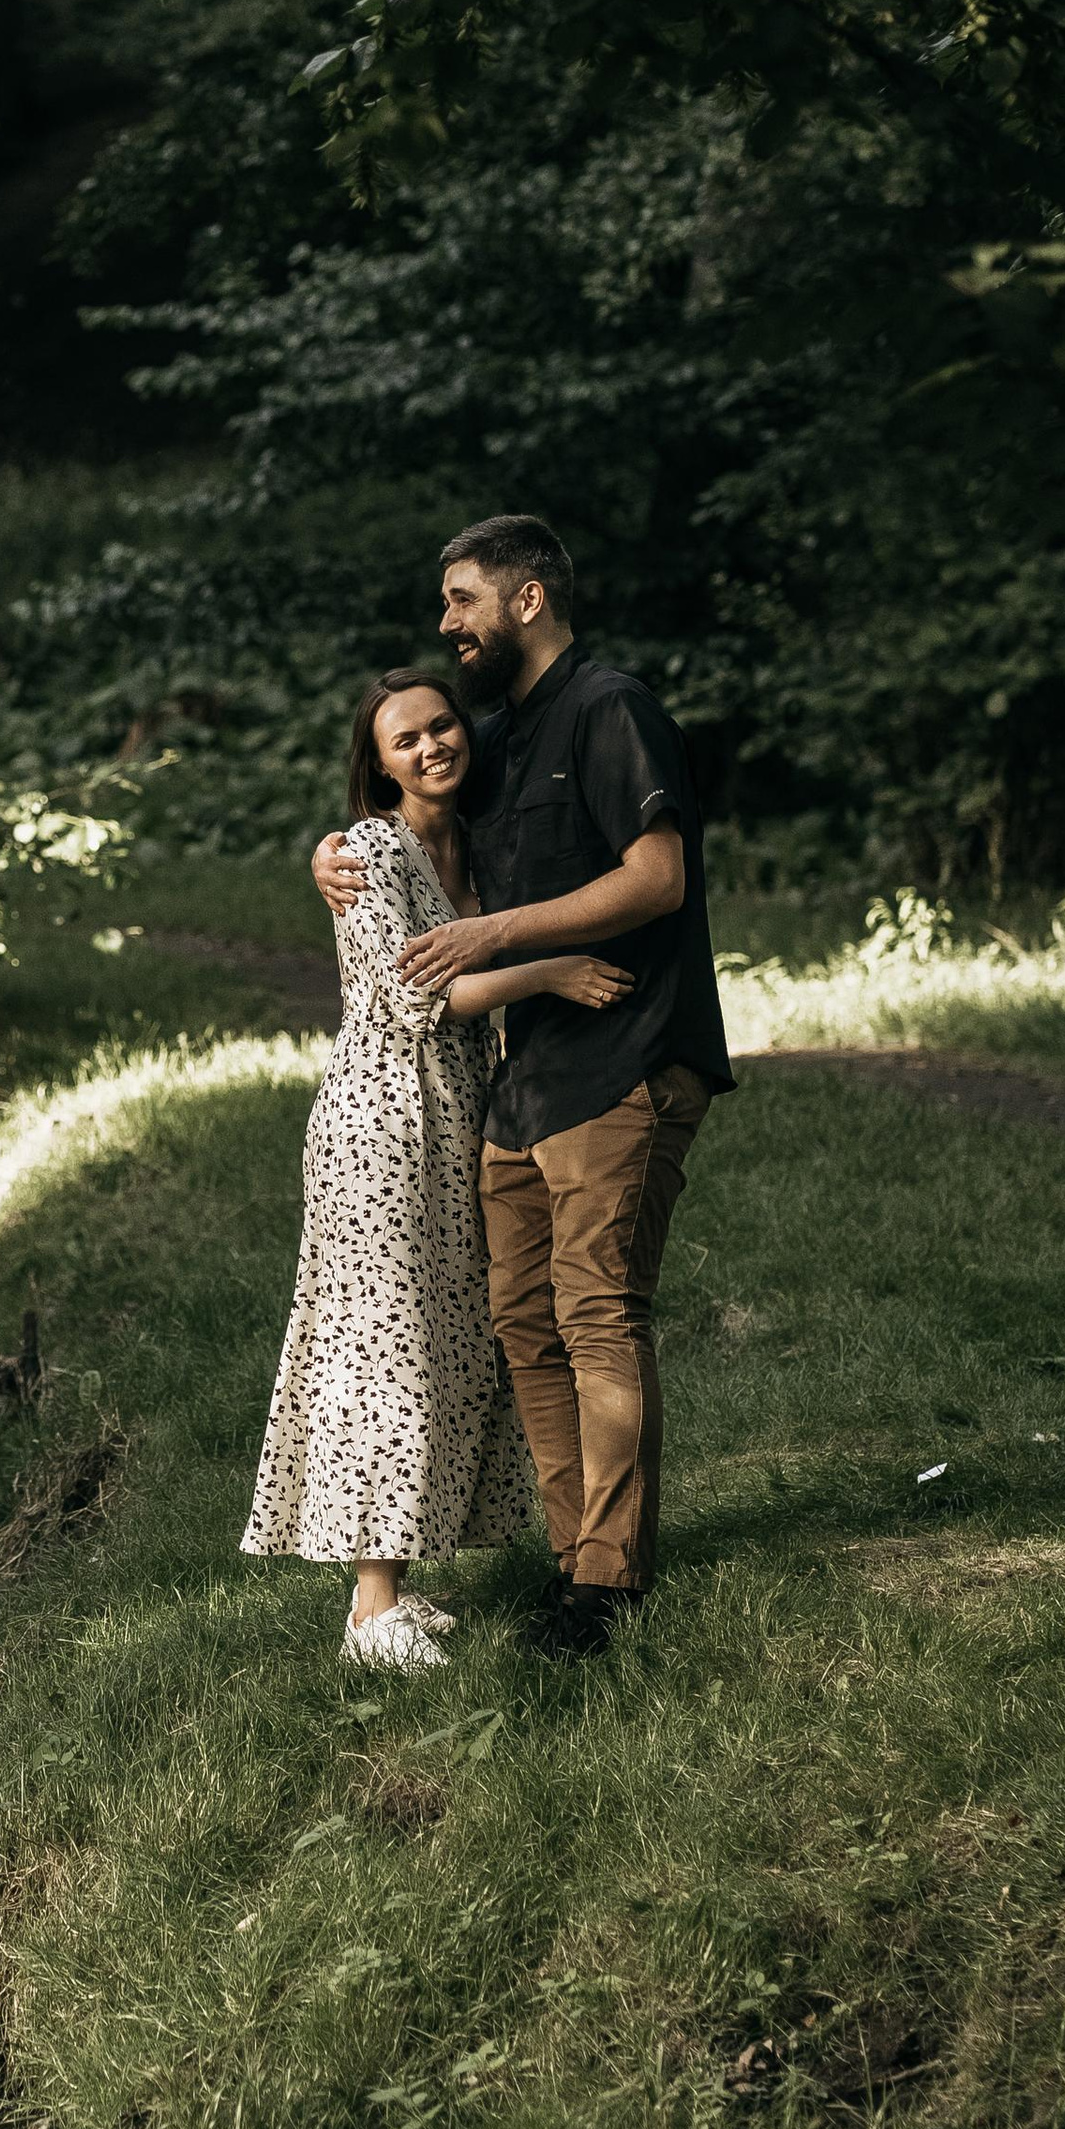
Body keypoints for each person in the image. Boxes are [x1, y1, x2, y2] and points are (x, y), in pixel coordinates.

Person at [314, 516, 732, 1658]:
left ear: (528, 598)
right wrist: (331, 853)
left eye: (461, 600)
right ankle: (571, 1559)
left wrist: (499, 933)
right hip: (526, 1082)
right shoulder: (497, 734)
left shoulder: (610, 708)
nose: (447, 623)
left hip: (629, 1057)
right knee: (523, 1328)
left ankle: (607, 1588)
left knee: (596, 1313)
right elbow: (411, 796)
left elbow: (657, 876)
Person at [245, 664, 637, 1670]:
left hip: (457, 1112)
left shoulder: (475, 839)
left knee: (447, 1340)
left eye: (439, 727)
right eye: (404, 740)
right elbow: (418, 995)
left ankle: (398, 1583)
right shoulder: (371, 851)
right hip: (380, 1122)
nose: (431, 747)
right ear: (376, 767)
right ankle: (369, 1609)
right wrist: (549, 969)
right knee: (389, 1357)